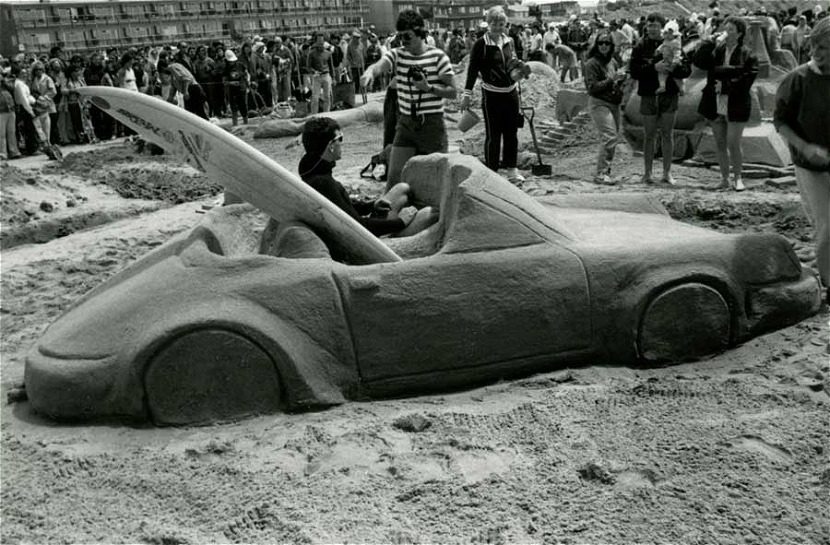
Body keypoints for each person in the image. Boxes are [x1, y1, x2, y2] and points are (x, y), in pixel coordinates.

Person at [360, 9, 457, 192]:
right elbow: (381, 64)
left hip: (432, 124)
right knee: (394, 178)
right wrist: (369, 73)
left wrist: (428, 88)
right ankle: (389, 217)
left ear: (420, 33)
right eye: (400, 36)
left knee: (437, 179)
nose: (403, 41)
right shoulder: (397, 54)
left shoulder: (438, 57)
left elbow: (453, 92)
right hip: (406, 123)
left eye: (408, 36)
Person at [298, 117, 437, 238]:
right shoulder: (323, 183)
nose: (342, 143)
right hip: (366, 237)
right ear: (331, 146)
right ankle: (396, 235)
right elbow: (358, 227)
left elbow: (343, 208)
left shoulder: (313, 174)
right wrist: (400, 222)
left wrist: (371, 206)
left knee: (402, 189)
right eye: (339, 138)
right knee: (430, 214)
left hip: (360, 228)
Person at [774, 16, 830, 296]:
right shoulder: (797, 79)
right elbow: (781, 122)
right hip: (811, 166)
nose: (816, 53)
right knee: (827, 226)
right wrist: (805, 147)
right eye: (815, 46)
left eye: (825, 48)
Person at [461, 6, 526, 184]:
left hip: (511, 93)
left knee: (511, 133)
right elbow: (472, 71)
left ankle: (512, 169)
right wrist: (466, 94)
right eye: (494, 24)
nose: (498, 27)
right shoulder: (481, 44)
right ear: (488, 24)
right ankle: (492, 172)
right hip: (492, 95)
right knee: (494, 134)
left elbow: (510, 63)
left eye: (501, 24)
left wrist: (518, 70)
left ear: (505, 24)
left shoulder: (509, 41)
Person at [694, 15, 759, 191]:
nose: (727, 32)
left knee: (733, 142)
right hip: (714, 100)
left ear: (739, 34)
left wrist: (725, 83)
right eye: (725, 29)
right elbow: (699, 61)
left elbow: (746, 77)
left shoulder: (747, 53)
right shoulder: (717, 50)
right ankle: (724, 178)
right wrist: (708, 43)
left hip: (736, 101)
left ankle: (738, 177)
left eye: (731, 29)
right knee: (720, 141)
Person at [630, 12, 692, 185]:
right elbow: (634, 71)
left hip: (669, 93)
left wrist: (673, 68)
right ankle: (648, 173)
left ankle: (667, 172)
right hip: (649, 94)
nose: (652, 29)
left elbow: (687, 70)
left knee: (667, 134)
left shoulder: (675, 43)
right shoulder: (641, 46)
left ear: (663, 27)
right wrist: (653, 67)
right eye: (649, 25)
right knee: (649, 135)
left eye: (656, 25)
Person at [584, 30, 627, 184]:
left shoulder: (613, 62)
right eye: (601, 43)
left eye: (607, 43)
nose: (604, 46)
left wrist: (621, 79)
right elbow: (592, 87)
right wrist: (611, 79)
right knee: (609, 136)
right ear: (596, 45)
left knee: (613, 138)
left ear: (611, 45)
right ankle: (601, 174)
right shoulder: (592, 63)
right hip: (599, 102)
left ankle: (606, 171)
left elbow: (616, 82)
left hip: (613, 102)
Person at [306, 32, 334, 114]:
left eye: (322, 43)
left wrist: (334, 77)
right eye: (319, 43)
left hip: (326, 74)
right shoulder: (311, 53)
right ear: (316, 43)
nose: (320, 45)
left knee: (327, 96)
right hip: (316, 76)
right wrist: (313, 71)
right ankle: (314, 114)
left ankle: (327, 113)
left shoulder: (328, 53)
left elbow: (331, 66)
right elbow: (308, 66)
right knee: (315, 98)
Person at [656, 20, 683, 94]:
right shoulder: (666, 41)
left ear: (674, 35)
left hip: (672, 61)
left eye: (670, 34)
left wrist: (675, 61)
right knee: (662, 73)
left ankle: (681, 89)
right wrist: (659, 50)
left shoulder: (675, 43)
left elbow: (677, 52)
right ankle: (662, 86)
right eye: (666, 33)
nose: (667, 35)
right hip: (666, 60)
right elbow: (663, 46)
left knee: (676, 77)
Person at [1, 69, 22, 160]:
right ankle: (3, 153)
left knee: (11, 132)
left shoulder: (6, 83)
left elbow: (12, 88)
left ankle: (14, 151)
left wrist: (4, 81)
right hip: (1, 111)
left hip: (10, 109)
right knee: (1, 134)